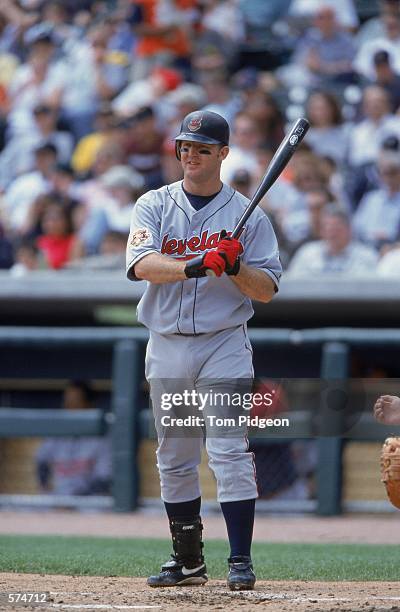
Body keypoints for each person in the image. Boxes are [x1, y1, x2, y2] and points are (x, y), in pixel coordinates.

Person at [126, 110, 282, 590]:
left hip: (223, 345)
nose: (190, 156)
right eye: (185, 147)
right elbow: (142, 265)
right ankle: (188, 560)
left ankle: (240, 560)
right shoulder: (153, 203)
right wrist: (197, 263)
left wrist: (235, 268)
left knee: (229, 451)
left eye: (202, 149)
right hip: (167, 344)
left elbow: (267, 289)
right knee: (174, 455)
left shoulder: (248, 216)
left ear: (223, 154)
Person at [35, 380, 112, 496]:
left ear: (89, 405)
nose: (69, 408)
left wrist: (73, 502)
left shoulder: (103, 438)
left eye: (75, 404)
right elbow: (41, 461)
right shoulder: (57, 433)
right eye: (67, 403)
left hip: (89, 503)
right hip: (58, 501)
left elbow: (103, 480)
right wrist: (45, 488)